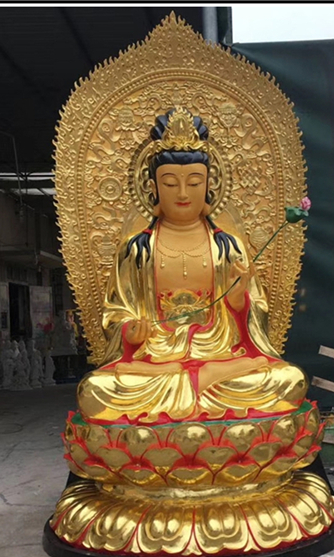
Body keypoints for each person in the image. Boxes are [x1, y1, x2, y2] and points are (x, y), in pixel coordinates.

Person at [77, 108, 308, 424]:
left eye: (194, 182)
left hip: (221, 356)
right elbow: (117, 312)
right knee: (94, 390)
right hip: (156, 362)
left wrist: (238, 301)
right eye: (170, 184)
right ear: (153, 189)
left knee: (289, 380)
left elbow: (255, 320)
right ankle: (198, 387)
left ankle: (194, 387)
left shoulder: (229, 248)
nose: (183, 193)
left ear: (209, 186)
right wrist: (130, 331)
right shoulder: (136, 250)